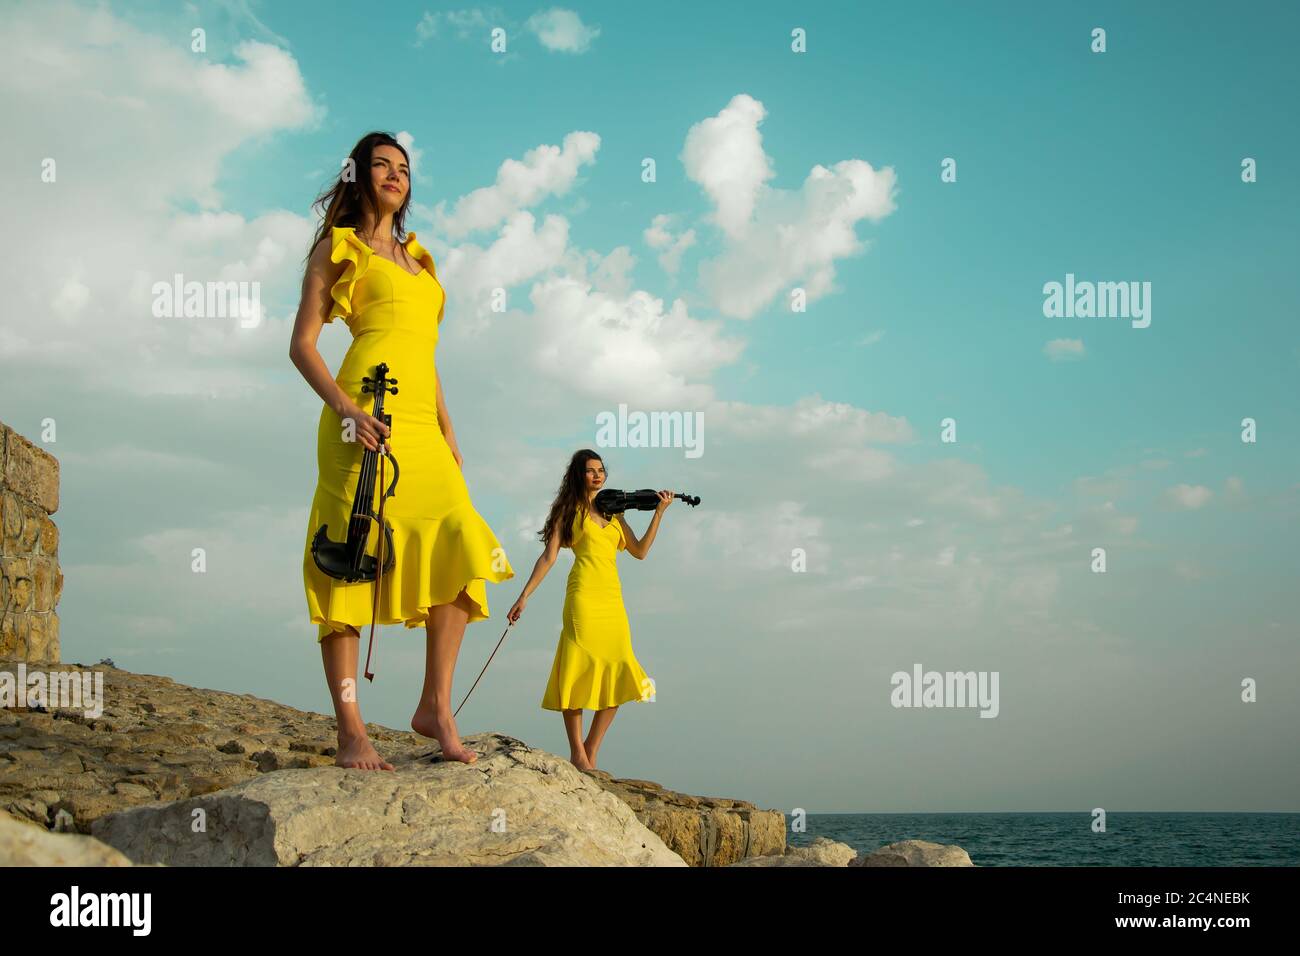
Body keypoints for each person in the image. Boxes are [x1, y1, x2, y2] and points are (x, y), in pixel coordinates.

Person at [289, 131, 514, 771]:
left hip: (421, 424)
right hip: (360, 415)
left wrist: (448, 429)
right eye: (381, 165)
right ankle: (351, 729)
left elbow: (426, 353)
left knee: (462, 541)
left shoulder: (422, 258)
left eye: (404, 168)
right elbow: (302, 344)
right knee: (346, 562)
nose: (394, 174)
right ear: (357, 176)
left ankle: (434, 707)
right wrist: (346, 410)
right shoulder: (339, 248)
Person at [507, 450, 671, 771]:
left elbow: (639, 552)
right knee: (578, 669)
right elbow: (549, 557)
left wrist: (659, 514)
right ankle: (577, 754)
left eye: (600, 470)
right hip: (582, 597)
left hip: (612, 600)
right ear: (578, 475)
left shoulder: (616, 514)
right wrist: (524, 596)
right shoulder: (569, 511)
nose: (597, 475)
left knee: (620, 669)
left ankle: (591, 748)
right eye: (590, 471)